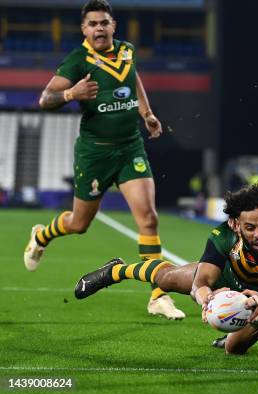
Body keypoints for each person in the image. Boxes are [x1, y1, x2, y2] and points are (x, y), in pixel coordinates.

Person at [23, 0, 184, 320]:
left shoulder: (127, 51)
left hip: (130, 148)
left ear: (114, 26)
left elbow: (133, 80)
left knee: (148, 218)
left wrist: (147, 114)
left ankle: (158, 295)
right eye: (93, 24)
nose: (99, 28)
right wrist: (71, 94)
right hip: (95, 153)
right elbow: (45, 99)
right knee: (79, 224)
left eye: (104, 23)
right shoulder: (77, 60)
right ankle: (41, 236)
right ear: (84, 29)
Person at [74, 183, 258, 354]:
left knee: (233, 350)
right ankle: (116, 271)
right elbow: (201, 283)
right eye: (250, 228)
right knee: (168, 278)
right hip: (226, 277)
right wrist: (207, 298)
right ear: (235, 224)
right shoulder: (223, 235)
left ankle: (232, 335)